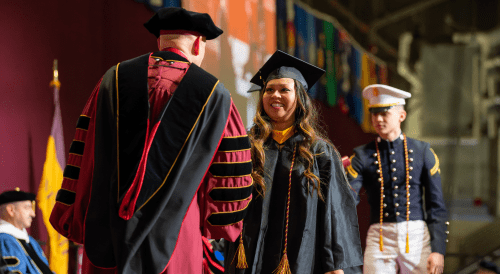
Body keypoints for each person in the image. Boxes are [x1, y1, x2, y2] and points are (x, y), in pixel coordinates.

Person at [49, 7, 252, 274]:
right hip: (177, 237)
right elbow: (230, 175)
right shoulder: (215, 95)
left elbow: (83, 159)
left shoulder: (111, 80)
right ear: (198, 43)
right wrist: (215, 226)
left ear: (160, 41)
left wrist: (76, 219)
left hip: (108, 234)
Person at [225, 50, 363, 274]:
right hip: (249, 256)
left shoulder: (319, 152)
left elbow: (335, 212)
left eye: (284, 90)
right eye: (269, 89)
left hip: (301, 259)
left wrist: (336, 267)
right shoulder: (248, 146)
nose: (275, 95)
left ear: (299, 97)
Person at [346, 84, 449, 274]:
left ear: (401, 116)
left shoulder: (422, 151)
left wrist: (438, 250)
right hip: (380, 237)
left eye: (384, 113)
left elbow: (436, 206)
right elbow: (348, 198)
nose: (378, 119)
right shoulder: (362, 155)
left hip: (417, 236)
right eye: (374, 114)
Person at [0, 189, 52, 274]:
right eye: (27, 207)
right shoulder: (4, 241)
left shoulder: (30, 240)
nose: (33, 214)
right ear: (11, 210)